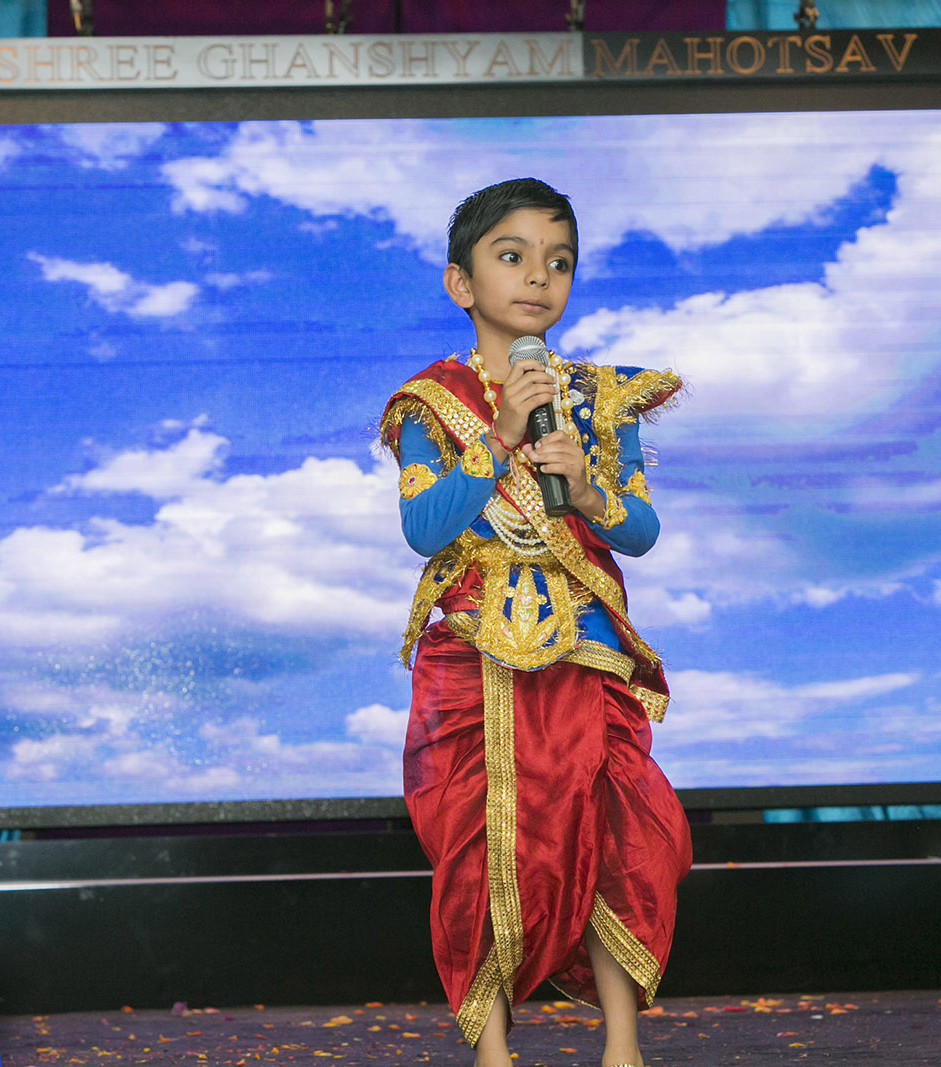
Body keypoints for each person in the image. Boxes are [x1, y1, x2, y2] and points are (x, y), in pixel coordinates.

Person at [378, 178, 693, 1067]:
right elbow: (423, 528)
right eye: (510, 256)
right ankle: (493, 1050)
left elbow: (641, 529)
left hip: (587, 651)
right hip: (472, 654)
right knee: (477, 846)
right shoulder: (431, 404)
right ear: (460, 284)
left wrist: (590, 490)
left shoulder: (600, 398)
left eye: (558, 262)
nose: (537, 278)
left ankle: (622, 1044)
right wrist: (500, 435)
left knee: (616, 838)